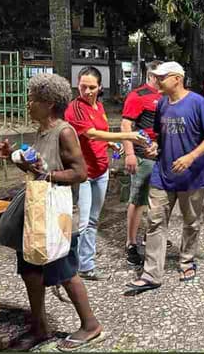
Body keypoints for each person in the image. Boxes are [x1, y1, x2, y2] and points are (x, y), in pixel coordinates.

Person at [0, 73, 102, 351]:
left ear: (50, 103)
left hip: (56, 214)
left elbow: (80, 172)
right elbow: (37, 168)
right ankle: (40, 328)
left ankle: (91, 325)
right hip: (35, 211)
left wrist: (49, 174)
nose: (28, 104)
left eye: (33, 100)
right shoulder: (40, 131)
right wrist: (12, 155)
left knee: (64, 271)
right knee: (30, 269)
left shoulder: (64, 131)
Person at [124, 62, 204, 294]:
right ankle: (151, 274)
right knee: (155, 222)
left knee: (192, 221)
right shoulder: (163, 103)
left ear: (177, 78)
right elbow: (159, 135)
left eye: (162, 77)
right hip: (162, 175)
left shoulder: (197, 102)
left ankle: (186, 262)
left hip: (192, 177)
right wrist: (154, 147)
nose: (157, 81)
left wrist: (191, 156)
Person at [65, 66, 150, 280]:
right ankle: (68, 269)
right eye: (83, 86)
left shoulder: (99, 106)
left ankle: (86, 265)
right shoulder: (75, 108)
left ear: (100, 87)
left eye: (92, 87)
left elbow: (98, 133)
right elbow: (91, 134)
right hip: (83, 172)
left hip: (101, 169)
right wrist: (127, 136)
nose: (87, 91)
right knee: (81, 223)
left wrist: (112, 143)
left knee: (93, 220)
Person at [121, 60, 163, 267]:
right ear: (152, 76)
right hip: (142, 155)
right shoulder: (138, 95)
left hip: (163, 155)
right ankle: (131, 243)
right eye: (161, 75)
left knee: (158, 200)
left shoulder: (168, 95)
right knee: (137, 200)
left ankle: (150, 236)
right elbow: (126, 124)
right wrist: (129, 153)